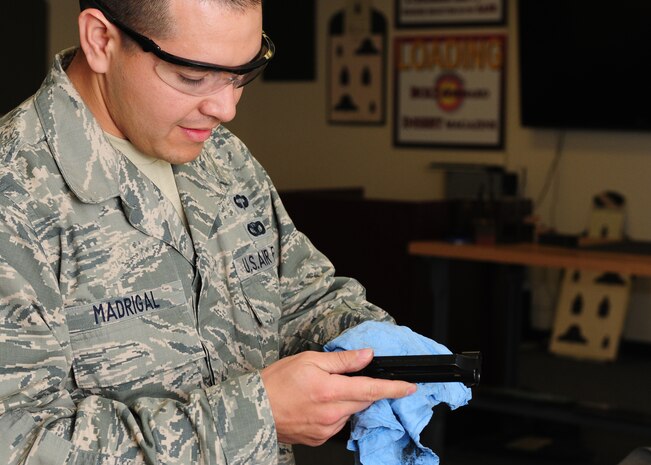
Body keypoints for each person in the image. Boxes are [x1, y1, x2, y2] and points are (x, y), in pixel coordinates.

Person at [0, 1, 420, 464]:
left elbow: (295, 297)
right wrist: (257, 418)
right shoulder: (15, 194)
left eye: (242, 73)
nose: (226, 108)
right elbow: (21, 443)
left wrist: (367, 341)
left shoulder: (221, 156)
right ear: (101, 40)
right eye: (194, 78)